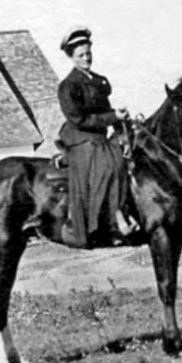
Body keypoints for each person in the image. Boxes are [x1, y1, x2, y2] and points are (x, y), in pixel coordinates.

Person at [57, 27, 139, 247]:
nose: (86, 58)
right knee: (109, 164)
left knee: (125, 156)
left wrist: (119, 119)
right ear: (71, 57)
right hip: (80, 137)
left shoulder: (99, 81)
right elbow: (79, 119)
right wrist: (111, 116)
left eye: (88, 54)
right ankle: (114, 219)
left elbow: (106, 112)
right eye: (80, 55)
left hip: (99, 136)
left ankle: (126, 210)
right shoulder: (68, 86)